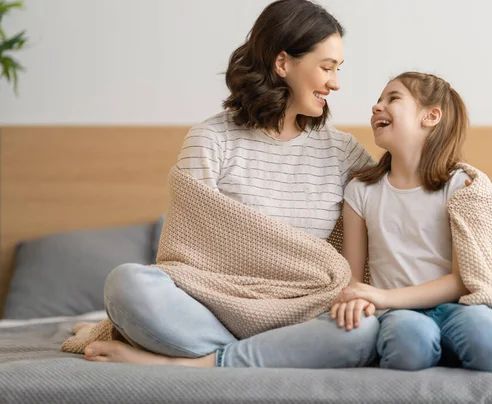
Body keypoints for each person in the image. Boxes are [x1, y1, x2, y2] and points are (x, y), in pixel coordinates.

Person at [75, 0, 380, 368]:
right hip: (214, 308)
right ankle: (261, 355)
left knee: (362, 328)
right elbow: (186, 255)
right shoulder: (210, 139)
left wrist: (455, 175)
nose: (335, 82)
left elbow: (398, 204)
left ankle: (195, 362)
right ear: (283, 64)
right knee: (127, 284)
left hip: (305, 314)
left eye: (338, 69)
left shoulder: (343, 151)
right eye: (327, 68)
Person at [330, 72, 492, 373]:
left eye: (392, 98)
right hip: (396, 314)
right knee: (411, 343)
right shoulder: (360, 191)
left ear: (431, 116)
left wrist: (383, 295)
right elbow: (353, 278)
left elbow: (463, 279)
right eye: (378, 100)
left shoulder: (460, 187)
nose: (377, 106)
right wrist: (363, 300)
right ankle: (436, 350)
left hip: (455, 309)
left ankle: (447, 346)